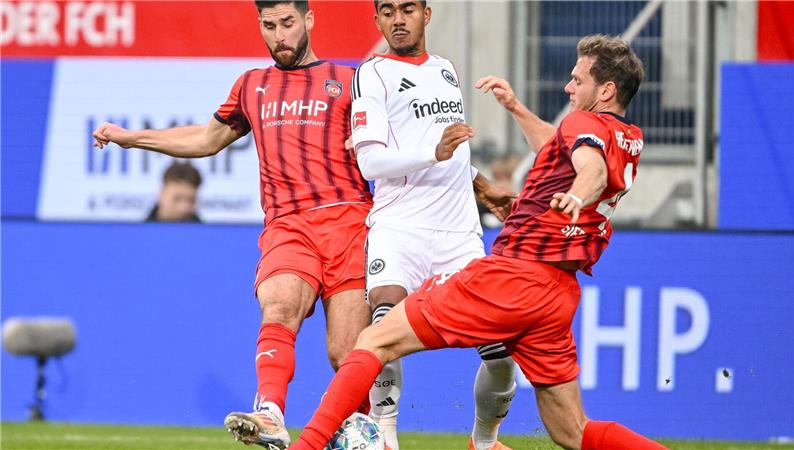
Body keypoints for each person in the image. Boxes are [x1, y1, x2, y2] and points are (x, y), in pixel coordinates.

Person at [286, 34, 669, 450]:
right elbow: (559, 145)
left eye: (578, 80)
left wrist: (578, 195)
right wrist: (516, 108)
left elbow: (590, 169)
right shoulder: (626, 136)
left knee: (375, 338)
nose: (568, 87)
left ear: (606, 90)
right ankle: (484, 442)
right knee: (571, 431)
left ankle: (308, 445)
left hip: (513, 277)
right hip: (557, 295)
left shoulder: (583, 127)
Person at [92, 1, 372, 448]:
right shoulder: (251, 85)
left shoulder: (352, 79)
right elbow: (206, 139)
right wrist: (132, 138)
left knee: (346, 352)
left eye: (287, 23)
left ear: (309, 20)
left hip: (350, 221)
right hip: (288, 224)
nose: (279, 35)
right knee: (279, 304)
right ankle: (270, 413)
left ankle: (364, 428)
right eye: (269, 25)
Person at [350, 2, 519, 449]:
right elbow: (370, 161)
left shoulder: (445, 70)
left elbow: (452, 152)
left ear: (427, 14)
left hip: (459, 234)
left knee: (502, 353)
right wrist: (434, 152)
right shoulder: (372, 74)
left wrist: (483, 186)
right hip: (400, 226)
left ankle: (484, 441)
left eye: (407, 9)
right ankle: (385, 436)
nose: (397, 20)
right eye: (387, 11)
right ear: (377, 20)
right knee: (383, 326)